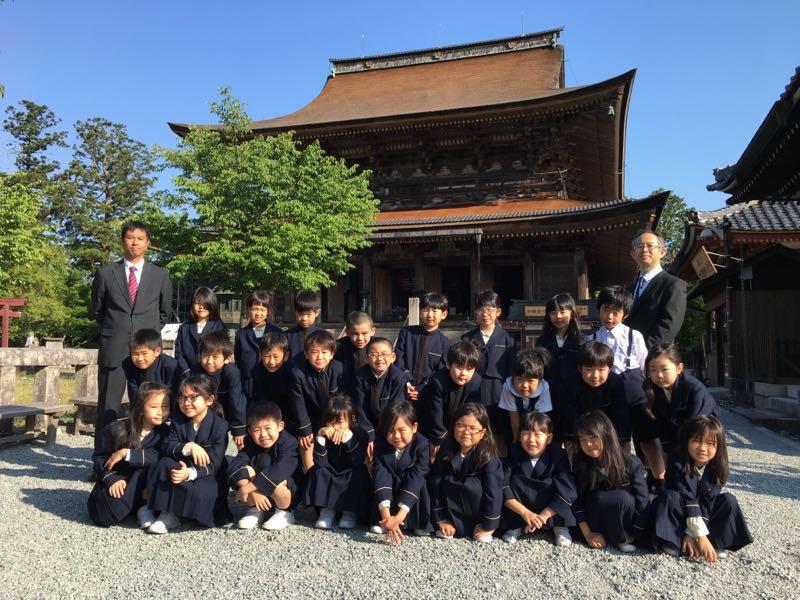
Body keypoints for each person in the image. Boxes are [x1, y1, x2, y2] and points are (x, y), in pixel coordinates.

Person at [91, 221, 172, 453]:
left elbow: (164, 312)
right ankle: (102, 458)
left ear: (148, 243)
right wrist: (117, 328)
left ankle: (144, 455)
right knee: (108, 407)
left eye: (140, 238)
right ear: (122, 241)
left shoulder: (160, 275)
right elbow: (97, 310)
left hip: (147, 352)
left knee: (149, 404)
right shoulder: (106, 273)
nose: (134, 242)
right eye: (129, 237)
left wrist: (146, 336)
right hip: (114, 348)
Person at [651, 415, 752, 560]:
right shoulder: (675, 462)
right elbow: (686, 497)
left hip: (701, 516)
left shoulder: (718, 468)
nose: (703, 448)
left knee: (728, 500)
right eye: (697, 440)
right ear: (686, 441)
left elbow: (707, 503)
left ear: (718, 447)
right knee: (670, 497)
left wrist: (695, 534)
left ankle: (714, 542)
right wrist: (697, 535)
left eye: (710, 443)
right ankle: (673, 540)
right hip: (680, 510)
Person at [147, 374, 230, 533]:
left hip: (207, 474)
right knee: (163, 464)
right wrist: (189, 446)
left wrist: (190, 473)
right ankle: (167, 514)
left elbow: (215, 463)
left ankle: (180, 510)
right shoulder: (178, 419)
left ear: (209, 400)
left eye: (193, 397)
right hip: (181, 467)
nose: (186, 403)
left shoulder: (220, 426)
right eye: (183, 397)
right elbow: (167, 446)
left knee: (201, 493)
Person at [87, 382, 170, 528]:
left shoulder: (167, 434)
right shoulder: (116, 429)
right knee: (104, 514)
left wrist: (128, 453)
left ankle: (144, 507)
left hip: (146, 484)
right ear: (140, 408)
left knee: (148, 468)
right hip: (120, 479)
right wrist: (111, 479)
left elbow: (161, 456)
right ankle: (138, 506)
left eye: (165, 406)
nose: (160, 412)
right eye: (154, 407)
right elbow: (100, 457)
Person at [641, 344, 719, 491]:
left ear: (679, 368)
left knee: (696, 459)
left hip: (700, 428)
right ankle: (664, 481)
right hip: (674, 427)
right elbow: (659, 421)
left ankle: (702, 489)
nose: (659, 375)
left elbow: (696, 423)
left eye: (664, 369)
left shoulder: (694, 388)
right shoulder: (649, 386)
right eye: (653, 370)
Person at [572, 411, 650, 553]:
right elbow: (577, 500)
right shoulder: (580, 462)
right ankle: (611, 536)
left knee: (622, 497)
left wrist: (633, 534)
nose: (588, 444)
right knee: (599, 498)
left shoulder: (630, 462)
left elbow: (643, 500)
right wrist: (588, 534)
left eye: (593, 437)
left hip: (625, 521)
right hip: (596, 520)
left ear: (606, 434)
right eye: (582, 440)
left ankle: (621, 537)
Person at [428, 403, 503, 542]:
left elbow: (494, 492)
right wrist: (441, 519)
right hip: (449, 513)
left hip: (477, 514)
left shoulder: (489, 456)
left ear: (483, 432)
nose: (466, 432)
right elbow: (435, 482)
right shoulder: (446, 449)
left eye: (473, 428)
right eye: (461, 426)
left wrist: (488, 526)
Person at [500, 411, 576, 546]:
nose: (531, 440)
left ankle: (559, 526)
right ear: (519, 436)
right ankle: (516, 525)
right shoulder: (514, 451)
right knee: (516, 481)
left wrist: (542, 517)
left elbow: (568, 490)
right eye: (526, 434)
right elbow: (503, 486)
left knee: (555, 485)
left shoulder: (558, 454)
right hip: (522, 511)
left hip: (551, 511)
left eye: (537, 434)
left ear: (549, 438)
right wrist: (526, 513)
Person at [227, 401, 302, 531]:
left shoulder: (289, 443)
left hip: (285, 494)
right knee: (244, 471)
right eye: (257, 430)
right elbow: (234, 465)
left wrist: (249, 487)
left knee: (277, 479)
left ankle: (284, 513)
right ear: (250, 431)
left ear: (280, 426)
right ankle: (255, 509)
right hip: (259, 494)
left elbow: (281, 468)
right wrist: (252, 491)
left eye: (268, 428)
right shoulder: (250, 443)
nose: (263, 435)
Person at [304, 395, 370, 530]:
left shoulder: (360, 434)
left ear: (352, 419)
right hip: (331, 473)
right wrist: (320, 437)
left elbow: (357, 461)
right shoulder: (324, 434)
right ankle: (326, 511)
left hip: (349, 473)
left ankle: (349, 513)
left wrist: (348, 439)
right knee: (317, 471)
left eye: (340, 422)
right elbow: (320, 463)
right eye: (330, 421)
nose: (335, 426)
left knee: (359, 473)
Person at [461, 290, 516, 449]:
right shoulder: (467, 338)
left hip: (499, 391)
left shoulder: (508, 339)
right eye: (481, 310)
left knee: (500, 433)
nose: (485, 314)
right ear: (476, 312)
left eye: (490, 310)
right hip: (474, 391)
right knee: (475, 430)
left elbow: (511, 369)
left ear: (498, 312)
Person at [370, 401, 432, 541]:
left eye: (402, 430)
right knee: (380, 482)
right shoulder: (380, 443)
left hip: (411, 487)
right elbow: (380, 474)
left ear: (414, 427)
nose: (396, 436)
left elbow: (418, 474)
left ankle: (417, 523)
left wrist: (399, 517)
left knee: (420, 484)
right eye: (391, 430)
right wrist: (386, 517)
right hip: (389, 490)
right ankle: (383, 521)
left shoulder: (421, 444)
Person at [288, 329, 344, 471]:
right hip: (309, 419)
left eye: (324, 352)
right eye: (314, 352)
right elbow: (298, 403)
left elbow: (343, 399)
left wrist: (338, 423)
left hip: (333, 418)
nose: (319, 357)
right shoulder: (298, 373)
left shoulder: (338, 369)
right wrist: (305, 430)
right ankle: (311, 475)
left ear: (332, 354)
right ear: (306, 354)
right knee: (307, 444)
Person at [560, 342, 630, 448]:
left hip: (609, 433)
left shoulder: (616, 382)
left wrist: (619, 440)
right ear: (580, 368)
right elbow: (569, 416)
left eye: (601, 370)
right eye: (589, 369)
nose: (595, 376)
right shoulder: (570, 384)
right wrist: (572, 438)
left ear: (609, 369)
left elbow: (621, 414)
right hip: (580, 435)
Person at [417, 341, 482, 455]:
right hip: (430, 425)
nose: (463, 373)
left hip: (456, 425)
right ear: (448, 364)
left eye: (469, 369)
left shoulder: (476, 382)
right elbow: (434, 414)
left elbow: (471, 411)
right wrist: (439, 439)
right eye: (459, 367)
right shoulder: (437, 381)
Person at [626, 229, 687, 348]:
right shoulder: (630, 288)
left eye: (650, 246)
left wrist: (641, 352)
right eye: (639, 246)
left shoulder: (673, 284)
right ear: (633, 254)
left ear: (662, 252)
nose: (644, 249)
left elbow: (668, 326)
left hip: (655, 355)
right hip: (626, 354)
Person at [188, 330, 247, 450]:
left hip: (226, 411)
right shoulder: (195, 371)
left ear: (227, 359)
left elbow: (236, 400)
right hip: (203, 413)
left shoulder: (231, 372)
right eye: (205, 355)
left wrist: (238, 428)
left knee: (235, 442)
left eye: (215, 357)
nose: (209, 361)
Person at [353, 336, 411, 444]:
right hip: (366, 426)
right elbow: (360, 407)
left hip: (390, 426)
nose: (379, 359)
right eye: (374, 355)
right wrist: (369, 434)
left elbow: (396, 407)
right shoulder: (360, 375)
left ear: (393, 357)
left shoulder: (398, 377)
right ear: (367, 358)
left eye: (384, 354)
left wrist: (386, 432)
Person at [394, 292, 452, 399]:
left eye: (435, 311)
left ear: (444, 314)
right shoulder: (406, 333)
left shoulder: (445, 343)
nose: (430, 315)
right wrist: (406, 382)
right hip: (402, 389)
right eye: (425, 310)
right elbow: (398, 358)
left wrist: (421, 388)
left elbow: (440, 370)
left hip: (428, 392)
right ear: (420, 312)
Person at [234, 290, 283, 403]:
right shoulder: (241, 335)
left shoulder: (277, 333)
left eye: (262, 310)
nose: (258, 313)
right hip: (248, 384)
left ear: (268, 311)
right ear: (248, 310)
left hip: (272, 381)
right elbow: (238, 361)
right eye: (255, 309)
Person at [498, 347, 553, 443]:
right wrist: (519, 442)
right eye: (519, 379)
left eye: (531, 381)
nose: (525, 385)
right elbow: (514, 418)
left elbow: (541, 418)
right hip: (512, 426)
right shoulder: (508, 387)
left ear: (539, 380)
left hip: (536, 426)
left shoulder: (544, 387)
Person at [174, 286, 226, 376]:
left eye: (205, 303)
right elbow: (179, 354)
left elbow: (223, 353)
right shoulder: (184, 328)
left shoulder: (219, 327)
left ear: (211, 304)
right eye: (197, 303)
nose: (201, 307)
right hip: (189, 375)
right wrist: (186, 371)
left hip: (212, 375)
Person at [121, 329, 179, 408]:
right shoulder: (128, 364)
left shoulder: (170, 365)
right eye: (135, 354)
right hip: (142, 406)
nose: (140, 359)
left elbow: (172, 393)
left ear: (157, 351)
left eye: (144, 353)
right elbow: (134, 392)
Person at [334, 311, 375, 395]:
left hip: (370, 392)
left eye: (364, 333)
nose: (360, 338)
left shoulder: (378, 346)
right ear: (347, 332)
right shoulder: (338, 347)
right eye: (355, 334)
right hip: (344, 393)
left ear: (372, 331)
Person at [251, 333, 292, 417]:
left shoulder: (292, 372)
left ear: (286, 356)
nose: (271, 362)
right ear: (261, 355)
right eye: (267, 356)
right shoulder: (257, 372)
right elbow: (260, 399)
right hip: (266, 413)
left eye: (276, 357)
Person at [285, 291, 322, 360]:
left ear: (317, 312)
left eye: (309, 314)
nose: (304, 319)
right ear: (295, 312)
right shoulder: (287, 336)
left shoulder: (323, 335)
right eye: (300, 314)